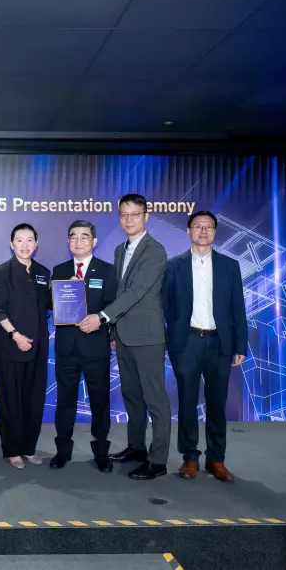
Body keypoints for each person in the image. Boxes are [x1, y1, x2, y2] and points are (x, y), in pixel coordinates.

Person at [78, 193, 170, 480]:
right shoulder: (120, 250)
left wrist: (102, 317)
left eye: (135, 214)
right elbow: (118, 292)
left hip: (148, 337)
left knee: (155, 400)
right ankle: (136, 447)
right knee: (132, 397)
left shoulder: (155, 251)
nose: (129, 220)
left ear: (146, 216)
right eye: (124, 214)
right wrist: (113, 329)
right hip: (124, 336)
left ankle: (158, 460)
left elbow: (136, 292)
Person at [162, 211, 248, 482]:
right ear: (188, 231)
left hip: (219, 343)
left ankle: (216, 459)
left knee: (217, 403)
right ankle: (190, 457)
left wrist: (240, 345)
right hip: (186, 342)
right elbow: (164, 306)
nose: (203, 231)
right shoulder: (173, 266)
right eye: (197, 226)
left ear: (215, 232)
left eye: (208, 227)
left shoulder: (229, 266)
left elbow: (238, 308)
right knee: (187, 402)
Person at [50, 220, 118, 472]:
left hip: (95, 346)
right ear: (68, 241)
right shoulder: (59, 270)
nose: (78, 241)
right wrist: (60, 293)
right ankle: (62, 451)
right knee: (64, 401)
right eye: (73, 237)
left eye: (84, 236)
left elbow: (114, 305)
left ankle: (101, 452)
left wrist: (100, 319)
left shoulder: (108, 271)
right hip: (67, 347)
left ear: (94, 241)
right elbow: (50, 306)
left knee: (99, 402)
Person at [0, 224, 52, 469]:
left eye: (29, 240)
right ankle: (13, 450)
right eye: (19, 240)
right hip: (10, 345)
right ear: (11, 244)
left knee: (33, 400)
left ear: (36, 244)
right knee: (10, 400)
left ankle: (28, 448)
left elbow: (49, 304)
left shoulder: (43, 272)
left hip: (38, 346)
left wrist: (70, 290)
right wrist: (15, 335)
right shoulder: (2, 271)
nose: (25, 245)